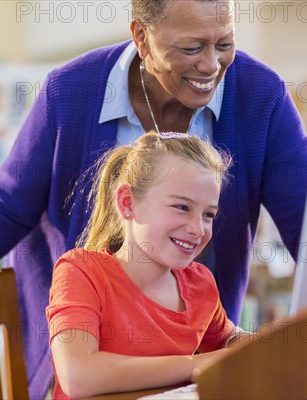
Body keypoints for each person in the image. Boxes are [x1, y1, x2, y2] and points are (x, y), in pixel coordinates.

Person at [0, 1, 307, 398]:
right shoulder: (70, 92)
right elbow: (7, 206)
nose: (212, 65)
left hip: (194, 357)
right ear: (141, 36)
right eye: (191, 48)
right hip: (87, 350)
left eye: (225, 44)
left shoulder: (260, 95)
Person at [47, 131, 249, 399]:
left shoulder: (199, 282)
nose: (197, 228)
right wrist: (194, 365)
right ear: (127, 203)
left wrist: (264, 343)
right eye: (181, 207)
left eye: (208, 215)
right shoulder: (80, 272)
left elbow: (229, 339)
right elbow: (78, 376)